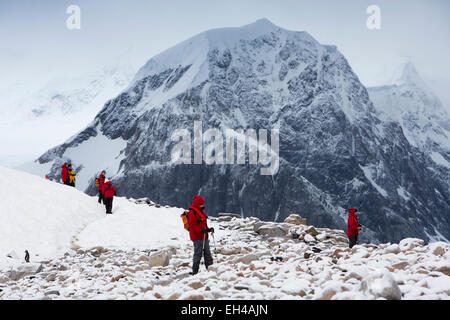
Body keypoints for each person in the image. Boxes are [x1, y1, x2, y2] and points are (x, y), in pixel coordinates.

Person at [187, 195, 214, 275]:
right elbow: (192, 225)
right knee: (198, 254)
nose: (203, 205)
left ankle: (210, 269)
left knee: (207, 253)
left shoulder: (200, 211)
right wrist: (201, 230)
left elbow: (203, 224)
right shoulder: (192, 212)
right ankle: (195, 271)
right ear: (198, 204)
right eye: (201, 204)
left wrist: (208, 229)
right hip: (197, 237)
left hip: (204, 236)